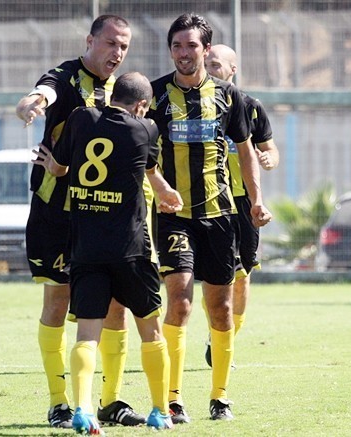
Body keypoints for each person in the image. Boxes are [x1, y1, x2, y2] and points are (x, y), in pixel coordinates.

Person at [14, 15, 145, 428]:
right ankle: (58, 402)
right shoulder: (66, 76)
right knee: (58, 300)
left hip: (104, 215)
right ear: (90, 40)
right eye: (111, 43)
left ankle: (111, 400)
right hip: (56, 212)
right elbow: (45, 90)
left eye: (123, 46)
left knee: (115, 307)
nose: (117, 52)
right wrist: (32, 102)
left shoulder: (125, 90)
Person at [37, 71, 183, 434]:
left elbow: (60, 167)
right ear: (142, 105)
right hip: (131, 249)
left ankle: (82, 410)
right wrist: (165, 192)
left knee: (87, 334)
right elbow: (148, 168)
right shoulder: (146, 129)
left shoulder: (80, 118)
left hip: (86, 249)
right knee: (151, 331)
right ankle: (160, 411)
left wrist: (50, 165)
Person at [147, 13, 273, 423]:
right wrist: (156, 188)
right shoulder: (155, 95)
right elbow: (140, 151)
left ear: (205, 49)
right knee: (180, 302)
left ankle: (220, 397)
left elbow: (246, 150)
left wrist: (256, 200)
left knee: (220, 308)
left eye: (191, 46)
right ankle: (172, 398)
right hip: (173, 216)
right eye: (176, 46)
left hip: (220, 215)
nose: (183, 53)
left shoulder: (229, 96)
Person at [203, 44, 280, 367]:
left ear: (232, 69)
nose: (209, 69)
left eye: (215, 65)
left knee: (242, 276)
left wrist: (268, 159)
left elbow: (271, 150)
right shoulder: (195, 105)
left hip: (243, 202)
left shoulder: (250, 107)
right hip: (209, 199)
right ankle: (217, 336)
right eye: (206, 64)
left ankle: (222, 340)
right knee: (215, 275)